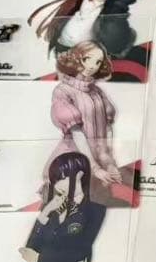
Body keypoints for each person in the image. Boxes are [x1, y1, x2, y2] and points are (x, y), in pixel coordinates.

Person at [45, 41, 124, 204]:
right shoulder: (62, 91)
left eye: (98, 62)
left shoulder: (97, 92)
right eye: (87, 59)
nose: (92, 66)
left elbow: (107, 128)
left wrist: (109, 162)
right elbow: (76, 133)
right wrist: (95, 168)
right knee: (69, 203)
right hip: (74, 158)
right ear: (75, 58)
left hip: (99, 159)